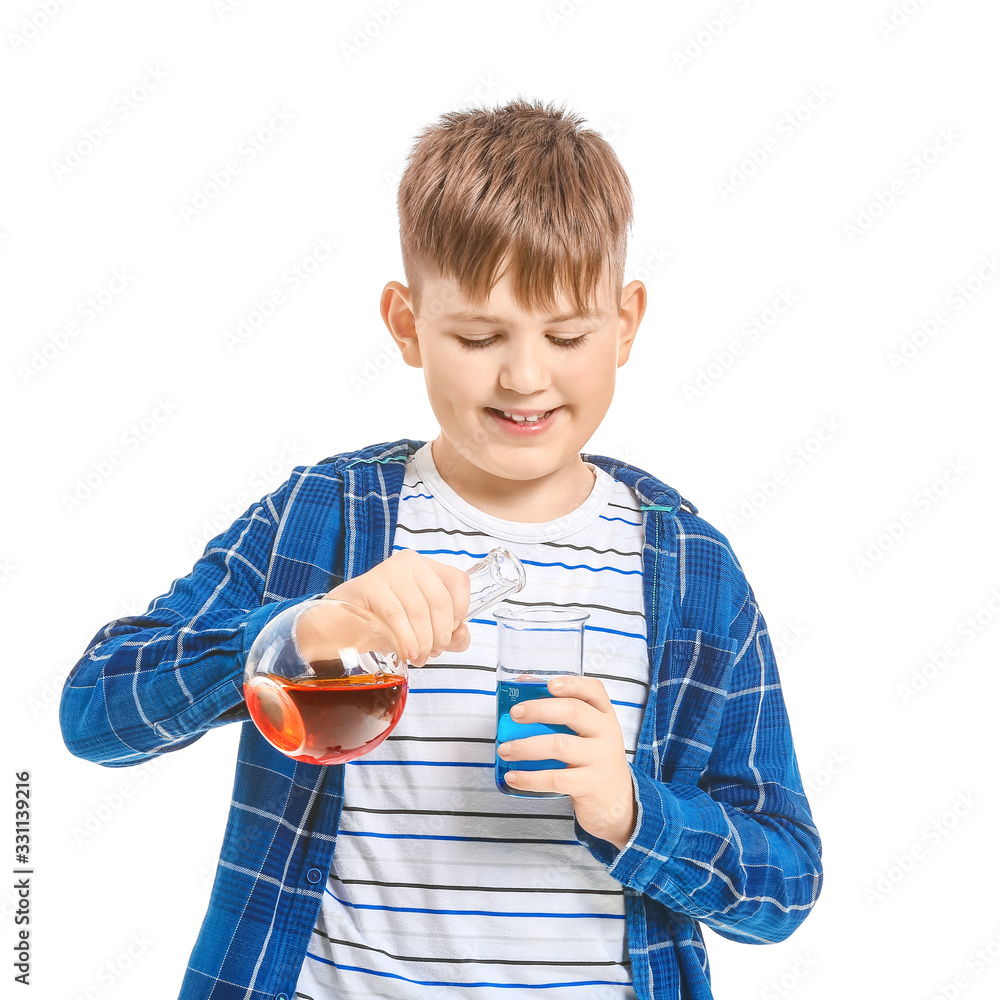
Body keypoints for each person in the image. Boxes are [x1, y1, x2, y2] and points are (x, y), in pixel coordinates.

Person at [60, 95, 823, 1000]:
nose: (525, 376)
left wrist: (629, 810)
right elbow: (96, 712)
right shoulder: (326, 515)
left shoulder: (692, 571)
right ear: (407, 323)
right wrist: (293, 635)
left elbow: (783, 885)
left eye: (568, 334)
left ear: (627, 324)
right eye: (477, 335)